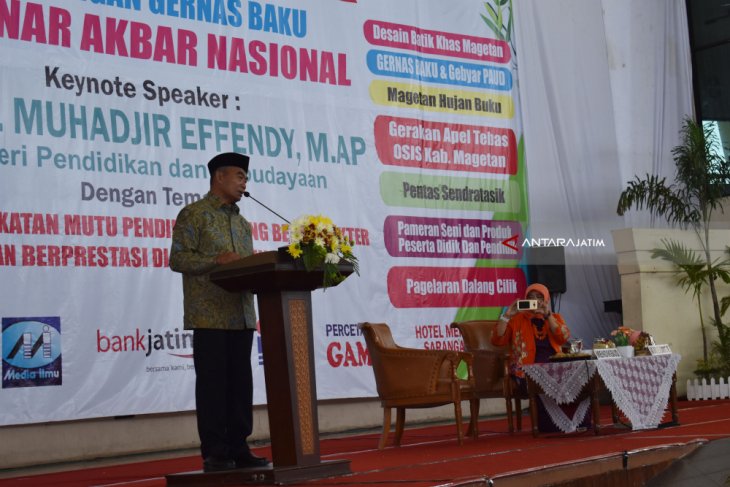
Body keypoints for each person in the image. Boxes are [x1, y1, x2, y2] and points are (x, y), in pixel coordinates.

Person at [170, 152, 269, 472]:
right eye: (239, 176)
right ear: (220, 177)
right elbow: (179, 260)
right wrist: (216, 261)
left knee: (241, 386)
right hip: (209, 315)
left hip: (241, 315)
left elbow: (243, 266)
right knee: (213, 385)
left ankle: (239, 446)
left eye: (245, 177)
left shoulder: (243, 224)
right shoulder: (193, 215)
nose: (244, 183)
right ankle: (214, 450)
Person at [492, 283, 589, 432]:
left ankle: (579, 422)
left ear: (546, 300)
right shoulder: (516, 320)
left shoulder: (554, 317)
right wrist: (507, 315)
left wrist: (548, 316)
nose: (535, 301)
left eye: (539, 298)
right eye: (531, 298)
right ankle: (550, 426)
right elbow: (497, 340)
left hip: (554, 366)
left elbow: (563, 337)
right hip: (527, 370)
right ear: (525, 299)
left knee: (577, 380)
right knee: (541, 382)